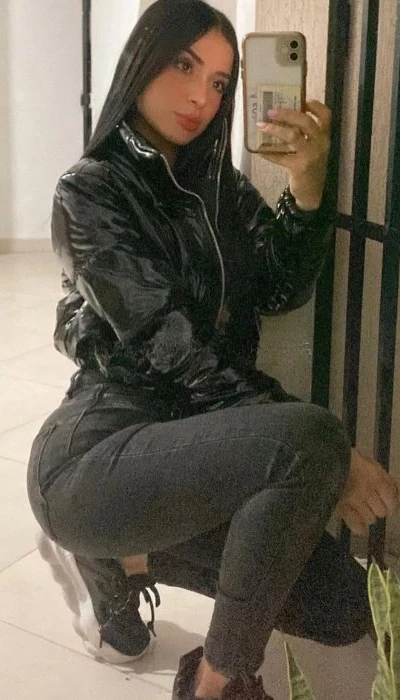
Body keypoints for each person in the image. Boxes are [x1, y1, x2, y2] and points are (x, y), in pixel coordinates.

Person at [27, 1, 399, 698]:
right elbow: (172, 347)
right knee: (312, 439)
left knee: (343, 605)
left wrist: (307, 186)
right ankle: (218, 683)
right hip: (97, 454)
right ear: (141, 63)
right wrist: (332, 457)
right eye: (184, 65)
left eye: (222, 81)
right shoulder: (90, 190)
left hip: (194, 450)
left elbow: (280, 287)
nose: (202, 96)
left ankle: (123, 557)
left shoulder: (220, 190)